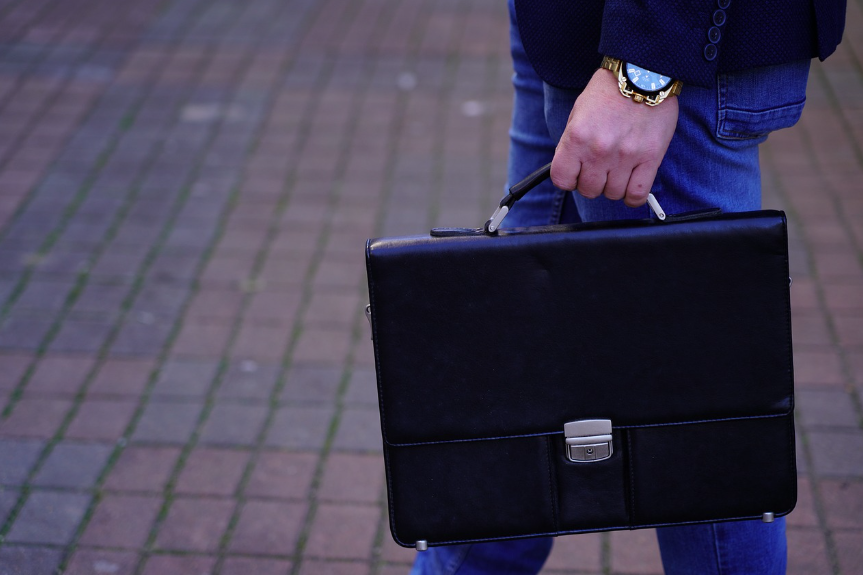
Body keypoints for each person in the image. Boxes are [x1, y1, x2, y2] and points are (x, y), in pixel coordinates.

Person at [411, 0, 847, 573]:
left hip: (665, 50)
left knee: (704, 437)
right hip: (573, 33)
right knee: (516, 367)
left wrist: (645, 70)